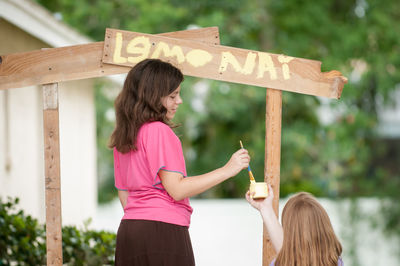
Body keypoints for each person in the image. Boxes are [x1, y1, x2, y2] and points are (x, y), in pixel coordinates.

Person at [109, 58, 250, 266]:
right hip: (162, 232)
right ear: (153, 97)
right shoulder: (158, 131)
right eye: (173, 95)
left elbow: (124, 194)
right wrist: (227, 170)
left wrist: (142, 220)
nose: (180, 101)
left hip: (129, 232)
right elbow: (177, 189)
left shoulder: (124, 136)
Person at [246, 184, 343, 266]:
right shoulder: (336, 262)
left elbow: (288, 256)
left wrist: (265, 208)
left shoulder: (281, 263)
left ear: (289, 233)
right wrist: (265, 208)